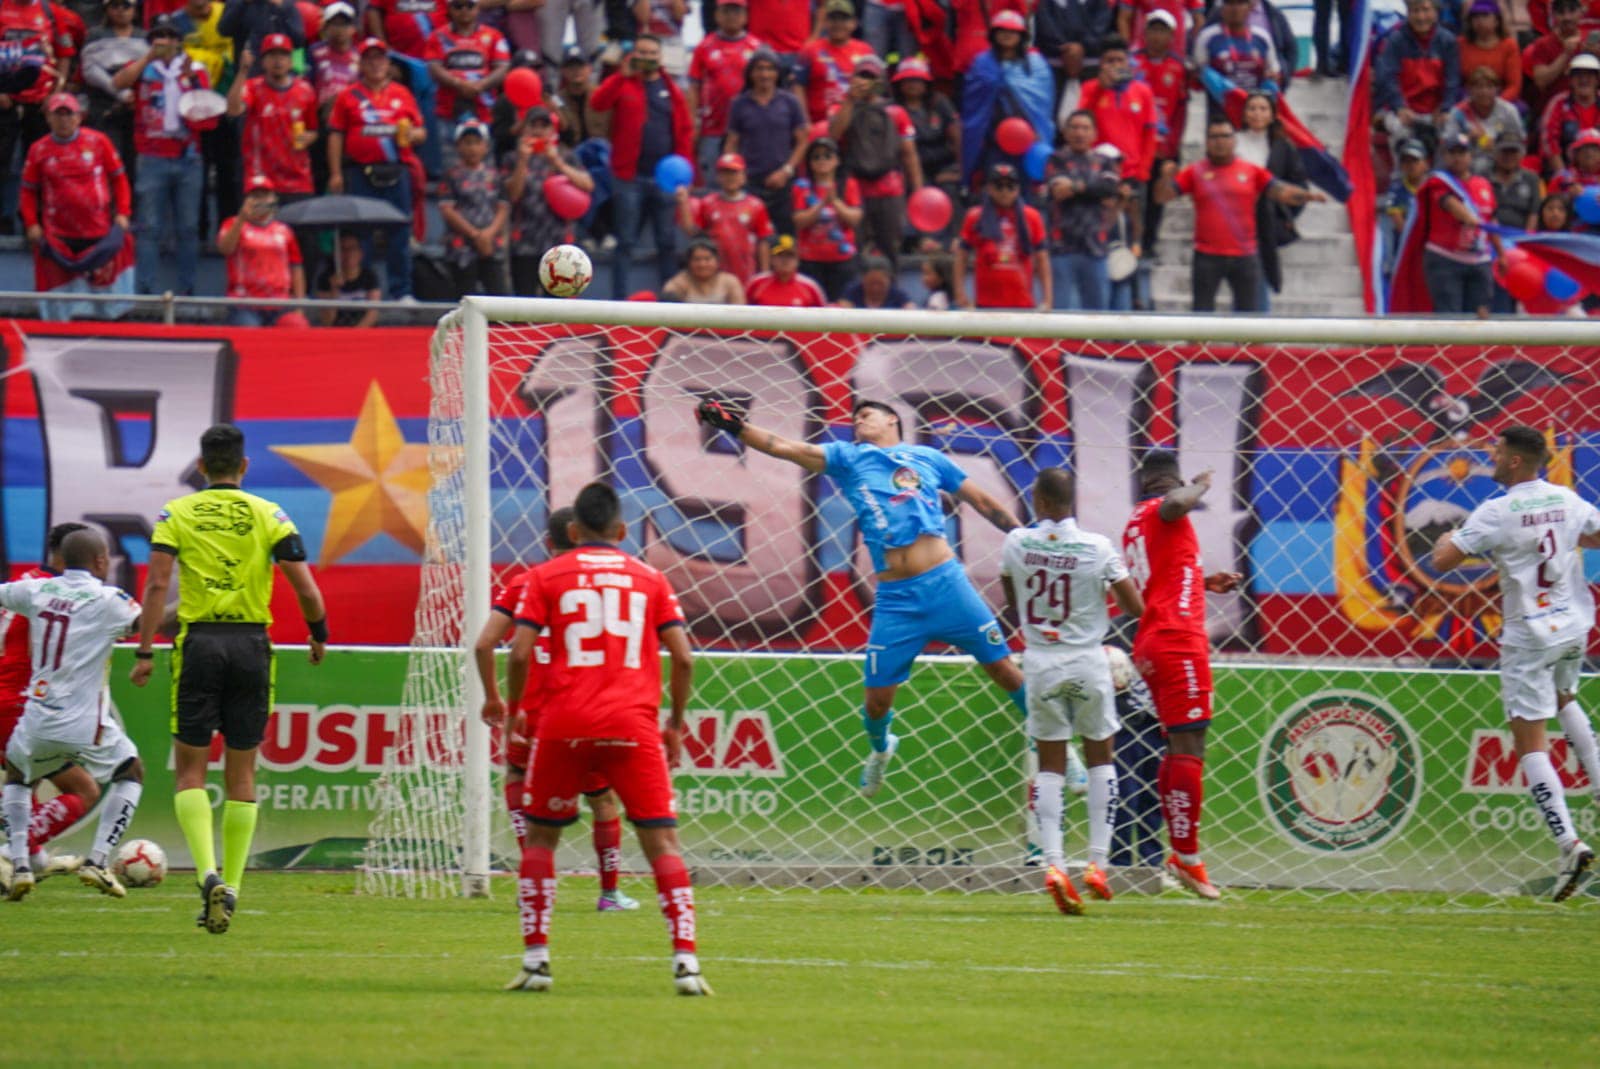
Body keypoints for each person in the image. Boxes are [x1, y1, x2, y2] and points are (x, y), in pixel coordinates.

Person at [695, 397, 1027, 799]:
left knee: (1004, 671)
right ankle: (882, 748)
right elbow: (785, 447)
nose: (858, 421)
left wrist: (1022, 537)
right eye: (854, 417)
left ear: (892, 419)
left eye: (866, 414)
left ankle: (1052, 742)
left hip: (947, 585)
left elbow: (983, 500)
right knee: (876, 704)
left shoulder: (927, 458)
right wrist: (735, 427)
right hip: (896, 600)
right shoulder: (849, 458)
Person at [500, 482, 707, 995]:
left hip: (563, 723)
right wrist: (676, 723)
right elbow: (683, 657)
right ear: (621, 531)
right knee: (661, 841)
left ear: (572, 532)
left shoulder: (545, 576)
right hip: (632, 725)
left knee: (542, 837)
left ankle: (536, 960)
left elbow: (519, 653)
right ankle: (686, 964)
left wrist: (512, 715)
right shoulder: (652, 579)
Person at [129, 423, 328, 934]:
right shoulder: (271, 514)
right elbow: (305, 588)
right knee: (243, 774)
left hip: (198, 644)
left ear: (201, 466)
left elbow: (155, 583)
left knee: (190, 770)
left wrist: (147, 649)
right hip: (250, 647)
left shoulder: (177, 513)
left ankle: (205, 872)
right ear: (244, 466)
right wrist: (318, 632)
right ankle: (233, 884)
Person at [1432, 425, 1600, 902]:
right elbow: (1598, 535)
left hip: (1529, 632)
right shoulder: (1566, 499)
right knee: (1566, 699)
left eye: (1497, 450)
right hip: (1571, 624)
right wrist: (1560, 541)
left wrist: (1448, 536)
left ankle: (1569, 844)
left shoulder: (1497, 510)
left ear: (1513, 462)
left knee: (1530, 739)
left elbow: (1443, 559)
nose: (1490, 454)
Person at [474, 505, 639, 913]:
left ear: (551, 542)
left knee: (517, 778)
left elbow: (483, 644)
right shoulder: (612, 586)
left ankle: (533, 881)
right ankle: (610, 893)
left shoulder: (527, 582)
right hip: (589, 708)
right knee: (601, 799)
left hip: (533, 714)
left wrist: (494, 697)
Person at [999, 468, 1145, 914]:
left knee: (1050, 766)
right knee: (1101, 757)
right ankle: (1098, 863)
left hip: (1042, 663)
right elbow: (1134, 606)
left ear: (1039, 501)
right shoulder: (1097, 547)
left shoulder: (1017, 543)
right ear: (1070, 502)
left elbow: (1012, 595)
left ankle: (1054, 864)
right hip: (1087, 662)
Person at [1121, 449, 1244, 899]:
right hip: (1177, 639)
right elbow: (1176, 505)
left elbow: (1162, 577)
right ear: (1168, 481)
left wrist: (1205, 581)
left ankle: (1181, 852)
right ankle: (1187, 857)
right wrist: (1201, 484)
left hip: (1154, 640)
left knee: (1178, 742)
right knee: (1190, 743)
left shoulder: (1136, 521)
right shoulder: (1165, 509)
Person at [0, 530, 144, 902]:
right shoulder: (108, 599)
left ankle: (22, 862)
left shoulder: (30, 589)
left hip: (33, 713)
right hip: (73, 717)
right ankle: (96, 859)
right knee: (122, 774)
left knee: (18, 776)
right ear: (99, 561)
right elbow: (142, 625)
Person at [0, 522, 98, 890]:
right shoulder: (52, 592)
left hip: (8, 698)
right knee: (84, 789)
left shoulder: (22, 585)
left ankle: (33, 857)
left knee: (22, 786)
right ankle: (18, 853)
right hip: (21, 705)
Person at [1153, 119, 1325, 313]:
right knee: (1200, 317)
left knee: (1248, 320)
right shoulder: (1195, 171)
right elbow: (1161, 197)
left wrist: (1306, 196)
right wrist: (1165, 177)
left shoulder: (1251, 171)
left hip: (1245, 256)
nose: (1220, 141)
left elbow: (1281, 191)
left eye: (1225, 136)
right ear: (1207, 142)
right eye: (1214, 137)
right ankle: (1199, 345)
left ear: (1234, 141)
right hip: (1207, 255)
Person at [114, 14, 212, 296]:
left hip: (188, 156)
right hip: (151, 156)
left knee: (189, 228)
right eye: (159, 36)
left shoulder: (195, 68)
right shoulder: (143, 68)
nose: (164, 41)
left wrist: (193, 79)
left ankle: (187, 290)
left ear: (179, 41)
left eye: (170, 36)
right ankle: (144, 291)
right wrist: (147, 59)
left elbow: (207, 109)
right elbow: (118, 83)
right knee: (148, 228)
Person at [591, 33, 692, 300]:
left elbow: (684, 131)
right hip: (629, 177)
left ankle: (671, 304)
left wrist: (685, 172)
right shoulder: (623, 83)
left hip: (665, 179)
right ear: (633, 55)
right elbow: (597, 103)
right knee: (625, 242)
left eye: (652, 54)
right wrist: (620, 76)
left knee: (666, 243)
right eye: (642, 53)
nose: (647, 59)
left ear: (660, 58)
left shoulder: (671, 89)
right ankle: (619, 303)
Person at [327, 37, 425, 300]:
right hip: (361, 173)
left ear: (387, 62)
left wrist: (413, 135)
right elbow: (336, 134)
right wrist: (335, 172)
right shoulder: (348, 95)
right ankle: (366, 290)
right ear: (361, 63)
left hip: (396, 170)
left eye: (379, 58)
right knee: (362, 237)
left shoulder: (401, 93)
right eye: (369, 58)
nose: (375, 63)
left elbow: (422, 131)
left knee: (399, 234)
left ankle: (401, 292)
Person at [19, 93, 133, 311]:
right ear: (48, 118)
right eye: (58, 115)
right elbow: (28, 191)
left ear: (79, 117)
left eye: (69, 114)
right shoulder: (38, 150)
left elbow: (119, 178)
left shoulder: (99, 142)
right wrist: (31, 223)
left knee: (105, 301)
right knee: (61, 304)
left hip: (98, 232)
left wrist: (123, 212)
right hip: (58, 235)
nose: (64, 120)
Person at [1080, 35, 1157, 257]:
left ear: (1128, 62)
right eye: (1109, 61)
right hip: (1098, 171)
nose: (1114, 65)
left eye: (1119, 60)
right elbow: (1080, 121)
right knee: (1099, 228)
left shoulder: (1142, 91)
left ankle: (1133, 288)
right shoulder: (1090, 88)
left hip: (1132, 171)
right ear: (1101, 64)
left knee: (1132, 233)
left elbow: (1150, 133)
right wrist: (1099, 90)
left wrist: (1143, 169)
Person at [505, 106, 593, 295]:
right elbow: (513, 195)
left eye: (544, 126)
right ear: (524, 129)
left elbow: (587, 185)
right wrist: (522, 161)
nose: (538, 131)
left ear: (552, 130)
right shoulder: (512, 158)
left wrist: (557, 163)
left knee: (559, 303)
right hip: (525, 241)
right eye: (533, 125)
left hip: (559, 243)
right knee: (524, 302)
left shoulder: (566, 155)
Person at [1235, 91, 1309, 313]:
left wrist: (1284, 215)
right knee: (1239, 278)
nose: (1257, 113)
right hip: (1236, 220)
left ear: (1272, 115)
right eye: (1252, 108)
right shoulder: (1233, 142)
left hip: (1266, 222)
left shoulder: (1282, 146)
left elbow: (1300, 187)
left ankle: (1257, 336)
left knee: (1260, 275)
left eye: (1263, 108)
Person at [724, 48, 808, 239]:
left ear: (777, 73)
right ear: (751, 73)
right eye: (759, 69)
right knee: (752, 237)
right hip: (750, 183)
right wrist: (736, 174)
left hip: (783, 184)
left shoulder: (790, 102)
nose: (764, 74)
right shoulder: (739, 104)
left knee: (785, 239)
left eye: (770, 69)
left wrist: (786, 171)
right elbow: (732, 143)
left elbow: (802, 141)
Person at [1046, 109, 1121, 311]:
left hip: (1095, 248)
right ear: (1066, 132)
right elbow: (1058, 191)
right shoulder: (1056, 159)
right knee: (1060, 316)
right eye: (1075, 128)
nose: (1080, 133)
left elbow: (1109, 189)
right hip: (1062, 248)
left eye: (1085, 128)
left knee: (1097, 320)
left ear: (1094, 134)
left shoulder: (1105, 161)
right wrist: (1093, 189)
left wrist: (1075, 187)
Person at [228, 36, 318, 203]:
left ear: (291, 61)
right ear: (263, 62)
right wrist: (242, 72)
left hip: (298, 179)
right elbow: (233, 110)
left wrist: (311, 137)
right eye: (272, 56)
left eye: (283, 56)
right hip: (261, 179)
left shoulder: (305, 90)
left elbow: (313, 128)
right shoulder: (252, 87)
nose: (278, 61)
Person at [1373, 0, 1462, 159]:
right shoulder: (1395, 41)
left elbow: (1452, 79)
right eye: (1415, 11)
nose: (1421, 17)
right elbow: (1387, 77)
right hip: (1404, 109)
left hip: (1436, 109)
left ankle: (1441, 177)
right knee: (1400, 132)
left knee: (1451, 130)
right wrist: (1399, 106)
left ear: (1435, 12)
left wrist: (1445, 108)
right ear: (1408, 13)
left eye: (1426, 10)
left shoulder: (1448, 41)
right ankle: (1401, 176)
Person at [955, 161, 1050, 310]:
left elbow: (1042, 258)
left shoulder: (1031, 217)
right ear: (989, 188)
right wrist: (960, 292)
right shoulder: (975, 217)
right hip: (986, 303)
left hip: (1022, 302)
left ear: (1018, 189)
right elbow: (961, 256)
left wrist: (1047, 299)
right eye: (999, 186)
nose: (1005, 191)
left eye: (1010, 186)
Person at [687, 0, 764, 180]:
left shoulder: (757, 47)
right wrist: (693, 122)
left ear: (745, 16)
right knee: (713, 181)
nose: (731, 16)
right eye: (726, 11)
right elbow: (693, 87)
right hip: (713, 127)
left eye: (736, 11)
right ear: (717, 15)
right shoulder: (704, 47)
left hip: (748, 129)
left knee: (746, 181)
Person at [217, 175, 307, 326]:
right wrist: (241, 219)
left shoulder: (284, 230)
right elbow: (225, 249)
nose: (261, 201)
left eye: (265, 196)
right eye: (255, 196)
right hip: (245, 303)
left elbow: (296, 267)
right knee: (249, 331)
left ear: (273, 199)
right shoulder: (232, 223)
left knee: (297, 326)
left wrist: (299, 306)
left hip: (280, 303)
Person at [676, 151, 771, 287]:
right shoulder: (708, 203)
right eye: (725, 173)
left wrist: (764, 274)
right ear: (718, 177)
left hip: (746, 269)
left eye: (734, 173)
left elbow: (763, 241)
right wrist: (683, 202)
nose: (729, 178)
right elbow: (692, 231)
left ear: (743, 177)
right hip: (716, 272)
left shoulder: (756, 205)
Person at [438, 118, 509, 296]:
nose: (472, 148)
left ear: (485, 146)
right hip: (461, 247)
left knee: (499, 297)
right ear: (458, 146)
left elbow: (502, 207)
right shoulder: (452, 175)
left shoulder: (494, 176)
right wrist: (475, 235)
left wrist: (488, 234)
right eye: (467, 143)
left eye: (477, 143)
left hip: (491, 244)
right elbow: (447, 209)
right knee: (466, 298)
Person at [792, 136, 862, 299]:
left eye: (827, 156)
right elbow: (799, 221)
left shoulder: (848, 184)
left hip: (842, 259)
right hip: (810, 259)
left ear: (837, 160)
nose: (822, 160)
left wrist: (835, 202)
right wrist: (822, 204)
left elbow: (854, 219)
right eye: (816, 157)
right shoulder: (802, 186)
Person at [80, 0, 144, 176]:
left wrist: (135, 96)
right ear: (107, 10)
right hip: (103, 105)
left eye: (126, 6)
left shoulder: (144, 37)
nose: (121, 11)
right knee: (107, 159)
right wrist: (121, 93)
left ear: (135, 10)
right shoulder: (95, 35)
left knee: (135, 163)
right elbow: (90, 71)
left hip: (137, 108)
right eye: (115, 6)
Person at [424, 0, 510, 132]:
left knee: (485, 152)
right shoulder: (437, 36)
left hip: (484, 110)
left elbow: (502, 67)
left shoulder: (494, 36)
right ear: (450, 9)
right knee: (450, 152)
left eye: (470, 5)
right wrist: (458, 83)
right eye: (458, 6)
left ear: (477, 8)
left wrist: (482, 85)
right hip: (448, 111)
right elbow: (434, 68)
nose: (464, 10)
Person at [793, 0, 875, 124]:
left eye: (844, 19)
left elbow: (874, 90)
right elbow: (798, 86)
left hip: (855, 124)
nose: (838, 24)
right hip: (819, 124)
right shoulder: (809, 50)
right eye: (833, 19)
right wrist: (804, 122)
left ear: (854, 23)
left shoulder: (865, 51)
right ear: (825, 22)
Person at [1445, 66, 1523, 175]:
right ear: (1469, 89)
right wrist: (1467, 138)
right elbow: (1448, 142)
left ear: (1497, 89)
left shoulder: (1508, 111)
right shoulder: (1458, 112)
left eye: (1489, 87)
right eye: (1479, 87)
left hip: (1503, 159)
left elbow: (1520, 141)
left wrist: (1487, 141)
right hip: (1467, 161)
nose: (1484, 91)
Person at [1539, 52, 1600, 174]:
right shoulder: (1558, 103)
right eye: (1578, 75)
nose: (1584, 80)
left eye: (1589, 75)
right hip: (1565, 167)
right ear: (1570, 80)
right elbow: (1548, 141)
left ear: (1597, 80)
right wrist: (1563, 175)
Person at [1458, 0, 1521, 104]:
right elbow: (1456, 82)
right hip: (1467, 99)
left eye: (1485, 15)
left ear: (1497, 21)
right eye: (1475, 16)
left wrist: (1495, 104)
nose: (1479, 20)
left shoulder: (1509, 46)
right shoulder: (1461, 44)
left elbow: (1514, 86)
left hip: (1501, 100)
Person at [315, 232, 382, 327]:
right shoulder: (325, 278)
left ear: (361, 253)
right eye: (343, 249)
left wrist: (355, 334)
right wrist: (334, 291)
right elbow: (327, 321)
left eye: (352, 248)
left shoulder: (369, 276)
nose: (348, 253)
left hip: (364, 332)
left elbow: (373, 313)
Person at [745, 232, 827, 306]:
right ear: (772, 259)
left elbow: (823, 316)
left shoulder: (810, 287)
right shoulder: (756, 284)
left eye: (790, 256)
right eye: (780, 255)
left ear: (798, 260)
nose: (785, 260)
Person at [661, 236, 746, 303]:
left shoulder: (730, 281)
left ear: (717, 261)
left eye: (707, 259)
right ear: (688, 262)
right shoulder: (679, 283)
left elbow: (741, 312)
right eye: (697, 259)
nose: (702, 264)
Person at [837, 253, 914, 308]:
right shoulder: (852, 292)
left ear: (889, 280)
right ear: (863, 279)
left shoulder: (899, 295)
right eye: (871, 283)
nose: (875, 288)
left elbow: (910, 310)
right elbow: (842, 310)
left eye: (880, 284)